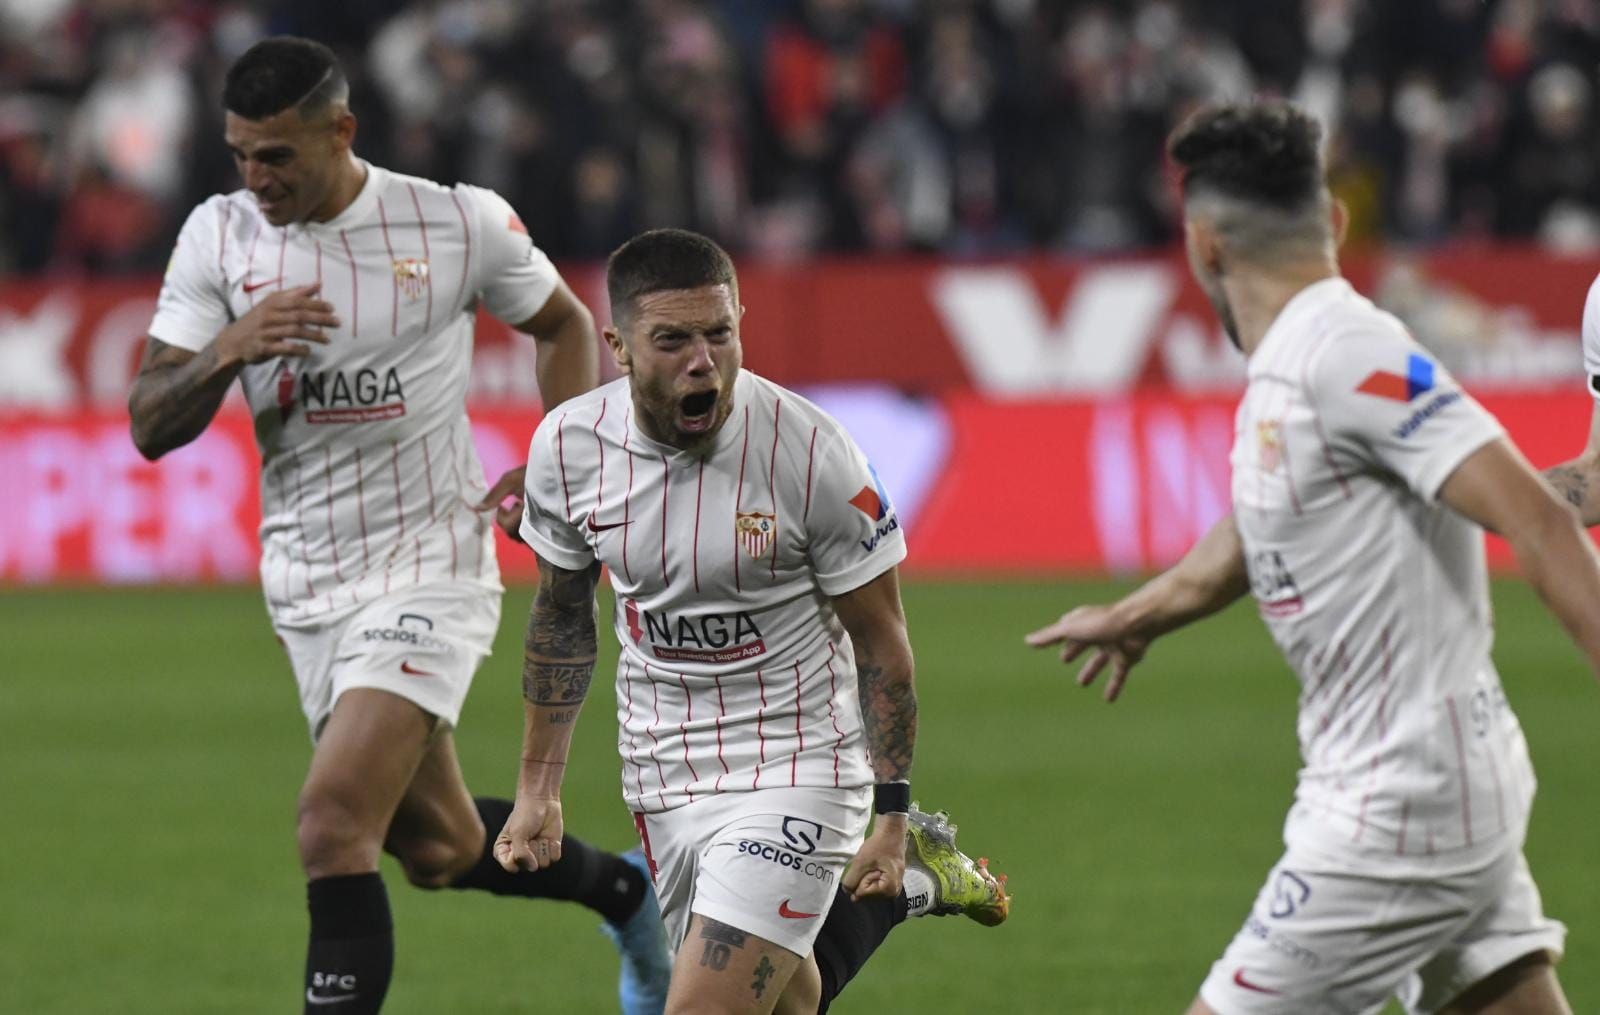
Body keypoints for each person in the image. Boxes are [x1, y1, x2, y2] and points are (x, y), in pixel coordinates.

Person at [127, 37, 670, 1015]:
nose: (256, 178)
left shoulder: (452, 220)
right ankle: (628, 892)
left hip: (430, 564)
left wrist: (558, 460)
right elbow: (149, 423)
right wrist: (226, 351)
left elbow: (562, 323)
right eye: (240, 153)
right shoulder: (219, 237)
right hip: (304, 582)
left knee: (331, 821)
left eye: (278, 155)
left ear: (341, 132)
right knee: (438, 849)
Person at [1026, 100, 1599, 1015]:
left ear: (1205, 247)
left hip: (1400, 804)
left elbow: (1537, 520)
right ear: (1331, 221)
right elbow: (1256, 523)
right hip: (1429, 780)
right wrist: (1138, 616)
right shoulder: (1297, 363)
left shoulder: (1350, 354)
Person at [492, 227, 1010, 1014]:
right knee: (786, 1001)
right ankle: (909, 890)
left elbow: (882, 643)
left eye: (719, 333)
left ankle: (902, 865)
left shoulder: (814, 454)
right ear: (619, 346)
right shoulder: (569, 447)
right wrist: (539, 789)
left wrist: (892, 810)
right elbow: (561, 618)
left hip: (801, 755)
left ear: (741, 321)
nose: (703, 360)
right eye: (672, 340)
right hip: (663, 762)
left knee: (705, 1006)